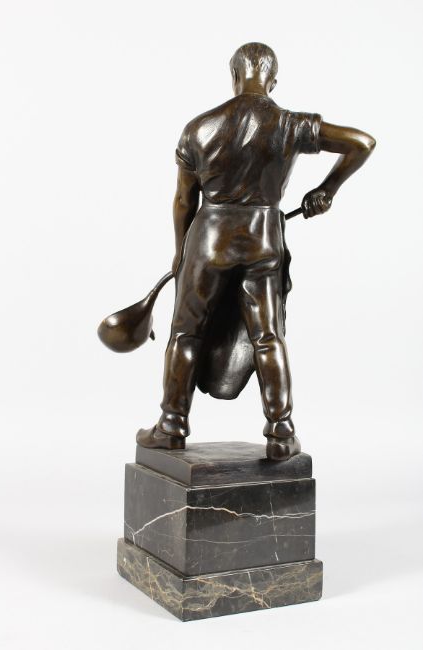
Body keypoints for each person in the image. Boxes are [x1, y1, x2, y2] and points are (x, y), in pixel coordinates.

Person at [137, 42, 375, 460]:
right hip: (263, 239)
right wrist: (326, 190)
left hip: (208, 241)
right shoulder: (289, 124)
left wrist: (180, 253)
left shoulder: (199, 128)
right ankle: (281, 432)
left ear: (233, 76)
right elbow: (363, 142)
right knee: (268, 337)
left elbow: (183, 201)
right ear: (272, 81)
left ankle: (171, 424)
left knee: (186, 333)